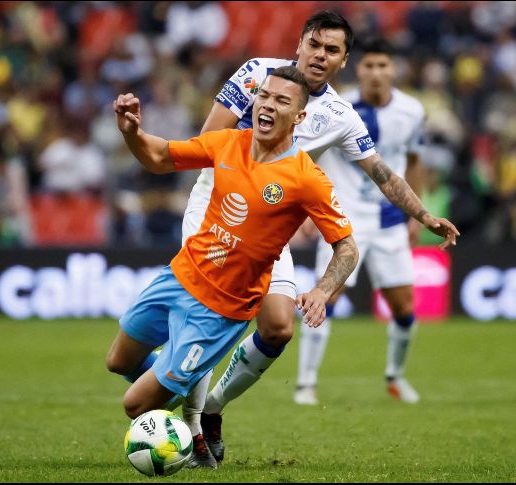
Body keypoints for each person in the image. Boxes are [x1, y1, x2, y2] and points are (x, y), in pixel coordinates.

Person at [184, 10, 459, 465]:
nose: (320, 55)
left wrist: (423, 213)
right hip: (214, 210)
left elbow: (383, 174)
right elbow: (207, 140)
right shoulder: (256, 74)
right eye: (314, 44)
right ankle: (192, 433)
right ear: (299, 45)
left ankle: (211, 408)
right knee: (209, 316)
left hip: (267, 230)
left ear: (343, 60)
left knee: (277, 328)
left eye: (332, 50)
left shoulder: (339, 116)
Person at [105, 66, 359, 467]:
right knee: (118, 362)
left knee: (135, 405)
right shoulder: (228, 143)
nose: (268, 106)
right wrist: (131, 132)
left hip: (220, 309)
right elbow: (158, 157)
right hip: (178, 276)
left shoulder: (305, 179)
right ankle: (178, 380)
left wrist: (323, 290)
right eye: (265, 96)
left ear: (300, 117)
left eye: (282, 101)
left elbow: (346, 248)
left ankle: (185, 414)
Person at [295, 37, 429, 407]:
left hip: (389, 222)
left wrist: (415, 215)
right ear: (358, 69)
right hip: (343, 218)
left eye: (382, 66)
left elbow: (414, 162)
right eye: (368, 66)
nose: (375, 73)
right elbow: (312, 155)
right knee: (325, 299)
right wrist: (309, 208)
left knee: (404, 308)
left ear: (393, 70)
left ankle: (395, 377)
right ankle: (306, 383)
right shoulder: (335, 108)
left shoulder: (412, 111)